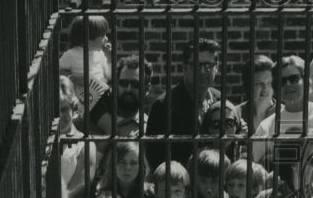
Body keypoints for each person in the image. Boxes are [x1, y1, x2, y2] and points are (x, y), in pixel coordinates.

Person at [145, 38, 221, 168]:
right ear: (184, 67)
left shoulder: (219, 100)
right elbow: (155, 159)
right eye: (196, 65)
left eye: (208, 66)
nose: (202, 71)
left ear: (217, 67)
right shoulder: (164, 105)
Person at [252, 56, 313, 165]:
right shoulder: (267, 126)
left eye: (294, 79)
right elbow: (257, 168)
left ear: (306, 80)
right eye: (282, 81)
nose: (288, 85)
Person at [59, 14, 114, 135]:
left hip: (103, 96)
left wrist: (109, 56)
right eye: (103, 35)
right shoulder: (71, 55)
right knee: (111, 130)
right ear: (89, 40)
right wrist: (71, 78)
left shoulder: (100, 54)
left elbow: (109, 75)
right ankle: (98, 152)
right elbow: (56, 71)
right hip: (86, 100)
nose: (106, 38)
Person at [110, 54, 153, 137]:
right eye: (123, 83)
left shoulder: (149, 128)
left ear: (147, 89)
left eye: (136, 84)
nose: (128, 89)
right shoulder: (96, 117)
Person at [235, 54, 277, 134]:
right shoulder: (236, 114)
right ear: (248, 85)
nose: (265, 88)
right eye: (259, 83)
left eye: (269, 83)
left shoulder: (284, 112)